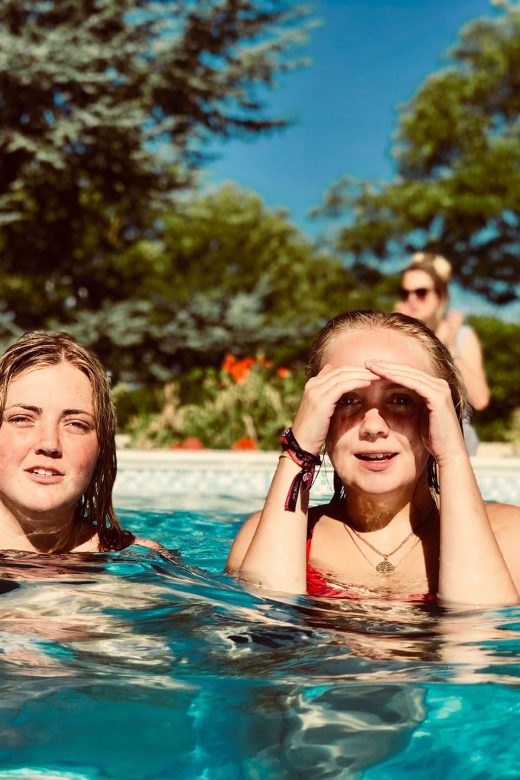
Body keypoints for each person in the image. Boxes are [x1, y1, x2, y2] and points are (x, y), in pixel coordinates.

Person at [227, 311, 520, 605]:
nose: (373, 426)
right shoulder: (267, 533)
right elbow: (267, 635)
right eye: (346, 399)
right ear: (319, 415)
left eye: (402, 399)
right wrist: (299, 448)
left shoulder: (509, 537)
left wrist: (453, 456)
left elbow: (479, 637)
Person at [0, 331, 154, 554]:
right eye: (22, 419)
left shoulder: (138, 561)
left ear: (102, 448)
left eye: (76, 424)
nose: (50, 443)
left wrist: (226, 578)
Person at [393, 252, 489, 455]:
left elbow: (480, 400)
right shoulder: (392, 336)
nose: (411, 299)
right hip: (405, 446)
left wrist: (450, 348)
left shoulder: (462, 336)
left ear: (441, 296)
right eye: (405, 293)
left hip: (454, 449)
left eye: (421, 292)